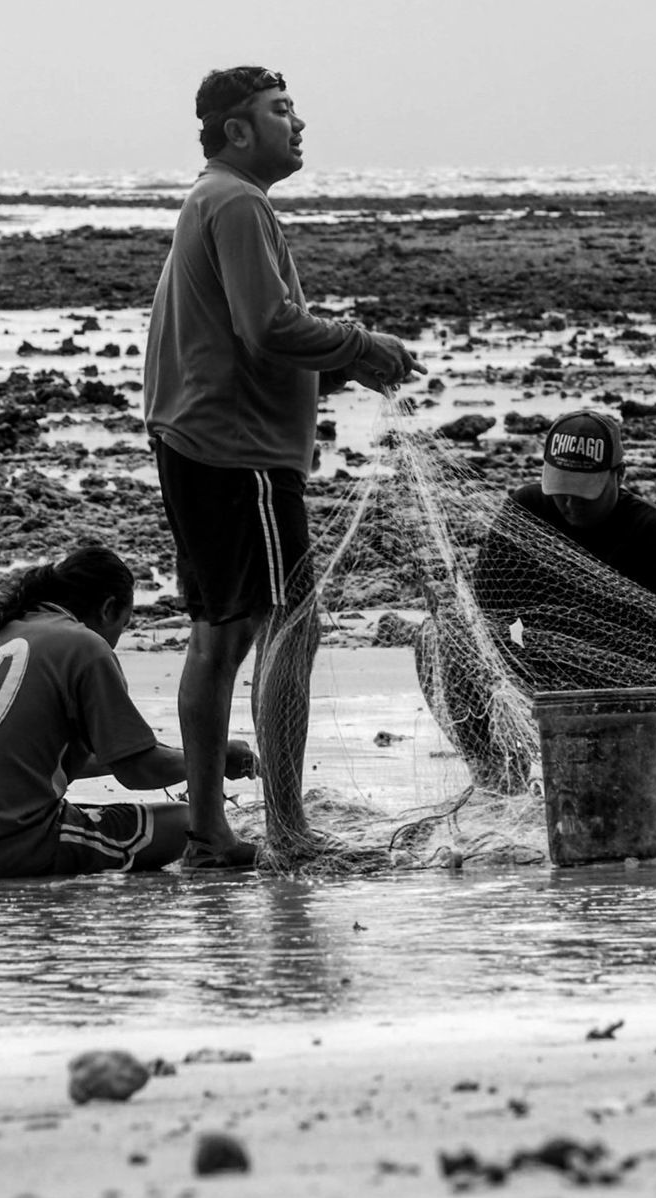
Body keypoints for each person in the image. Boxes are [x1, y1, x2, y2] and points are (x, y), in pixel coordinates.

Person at [144, 67, 425, 868]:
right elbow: (268, 327)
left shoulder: (213, 199)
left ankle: (209, 833)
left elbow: (237, 340)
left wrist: (338, 370)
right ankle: (288, 827)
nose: (297, 123)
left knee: (220, 635)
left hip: (195, 443)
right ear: (238, 130)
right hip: (241, 458)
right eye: (279, 111)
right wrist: (361, 344)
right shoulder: (237, 202)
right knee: (290, 630)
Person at [0, 548, 257, 883]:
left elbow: (36, 758)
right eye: (123, 625)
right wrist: (214, 757)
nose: (116, 639)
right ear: (108, 608)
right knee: (188, 823)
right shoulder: (85, 646)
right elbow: (138, 770)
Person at [415, 409, 656, 792]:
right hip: (541, 681)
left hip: (630, 694)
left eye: (584, 492)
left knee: (614, 804)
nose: (568, 503)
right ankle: (495, 775)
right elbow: (487, 621)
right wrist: (499, 693)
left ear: (620, 475)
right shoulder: (526, 514)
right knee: (442, 636)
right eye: (560, 488)